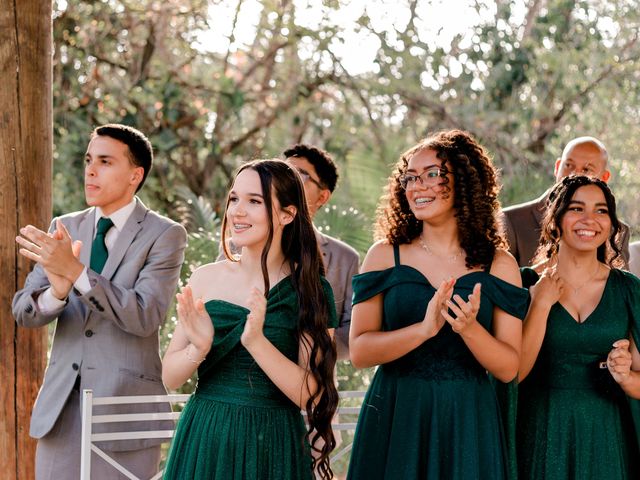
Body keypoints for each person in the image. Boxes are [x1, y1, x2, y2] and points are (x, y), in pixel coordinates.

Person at [347, 130, 528, 479]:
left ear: (464, 181)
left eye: (432, 174)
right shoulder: (385, 256)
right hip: (398, 414)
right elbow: (359, 351)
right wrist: (423, 330)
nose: (417, 186)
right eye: (410, 177)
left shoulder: (499, 264)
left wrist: (470, 330)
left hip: (467, 419)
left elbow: (508, 368)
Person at [12, 124, 187, 479]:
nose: (90, 170)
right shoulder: (64, 227)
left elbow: (145, 314)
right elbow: (23, 311)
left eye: (105, 161)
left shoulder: (165, 234)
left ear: (135, 175)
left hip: (125, 412)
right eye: (89, 160)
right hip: (60, 411)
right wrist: (57, 291)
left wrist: (77, 273)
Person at [162, 159, 339, 480]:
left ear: (288, 214)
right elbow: (170, 377)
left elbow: (311, 393)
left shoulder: (310, 289)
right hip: (205, 435)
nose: (237, 211)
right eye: (234, 199)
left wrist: (257, 343)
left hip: (273, 443)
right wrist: (198, 349)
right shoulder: (205, 278)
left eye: (254, 201)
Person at [517, 175, 640, 479]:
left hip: (606, 436)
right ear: (555, 220)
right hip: (542, 432)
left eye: (601, 211)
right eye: (577, 208)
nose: (590, 219)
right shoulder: (525, 283)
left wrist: (625, 377)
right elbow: (514, 373)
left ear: (611, 224)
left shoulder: (628, 290)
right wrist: (541, 305)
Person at [220, 144, 359, 359]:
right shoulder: (234, 246)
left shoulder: (345, 258)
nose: (287, 179)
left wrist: (302, 344)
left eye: (300, 175)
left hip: (309, 376)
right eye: (285, 170)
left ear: (323, 197)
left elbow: (352, 333)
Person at [502, 136, 630, 267]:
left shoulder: (618, 231)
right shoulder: (511, 220)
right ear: (557, 167)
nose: (574, 174)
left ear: (604, 178)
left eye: (587, 169)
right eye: (568, 165)